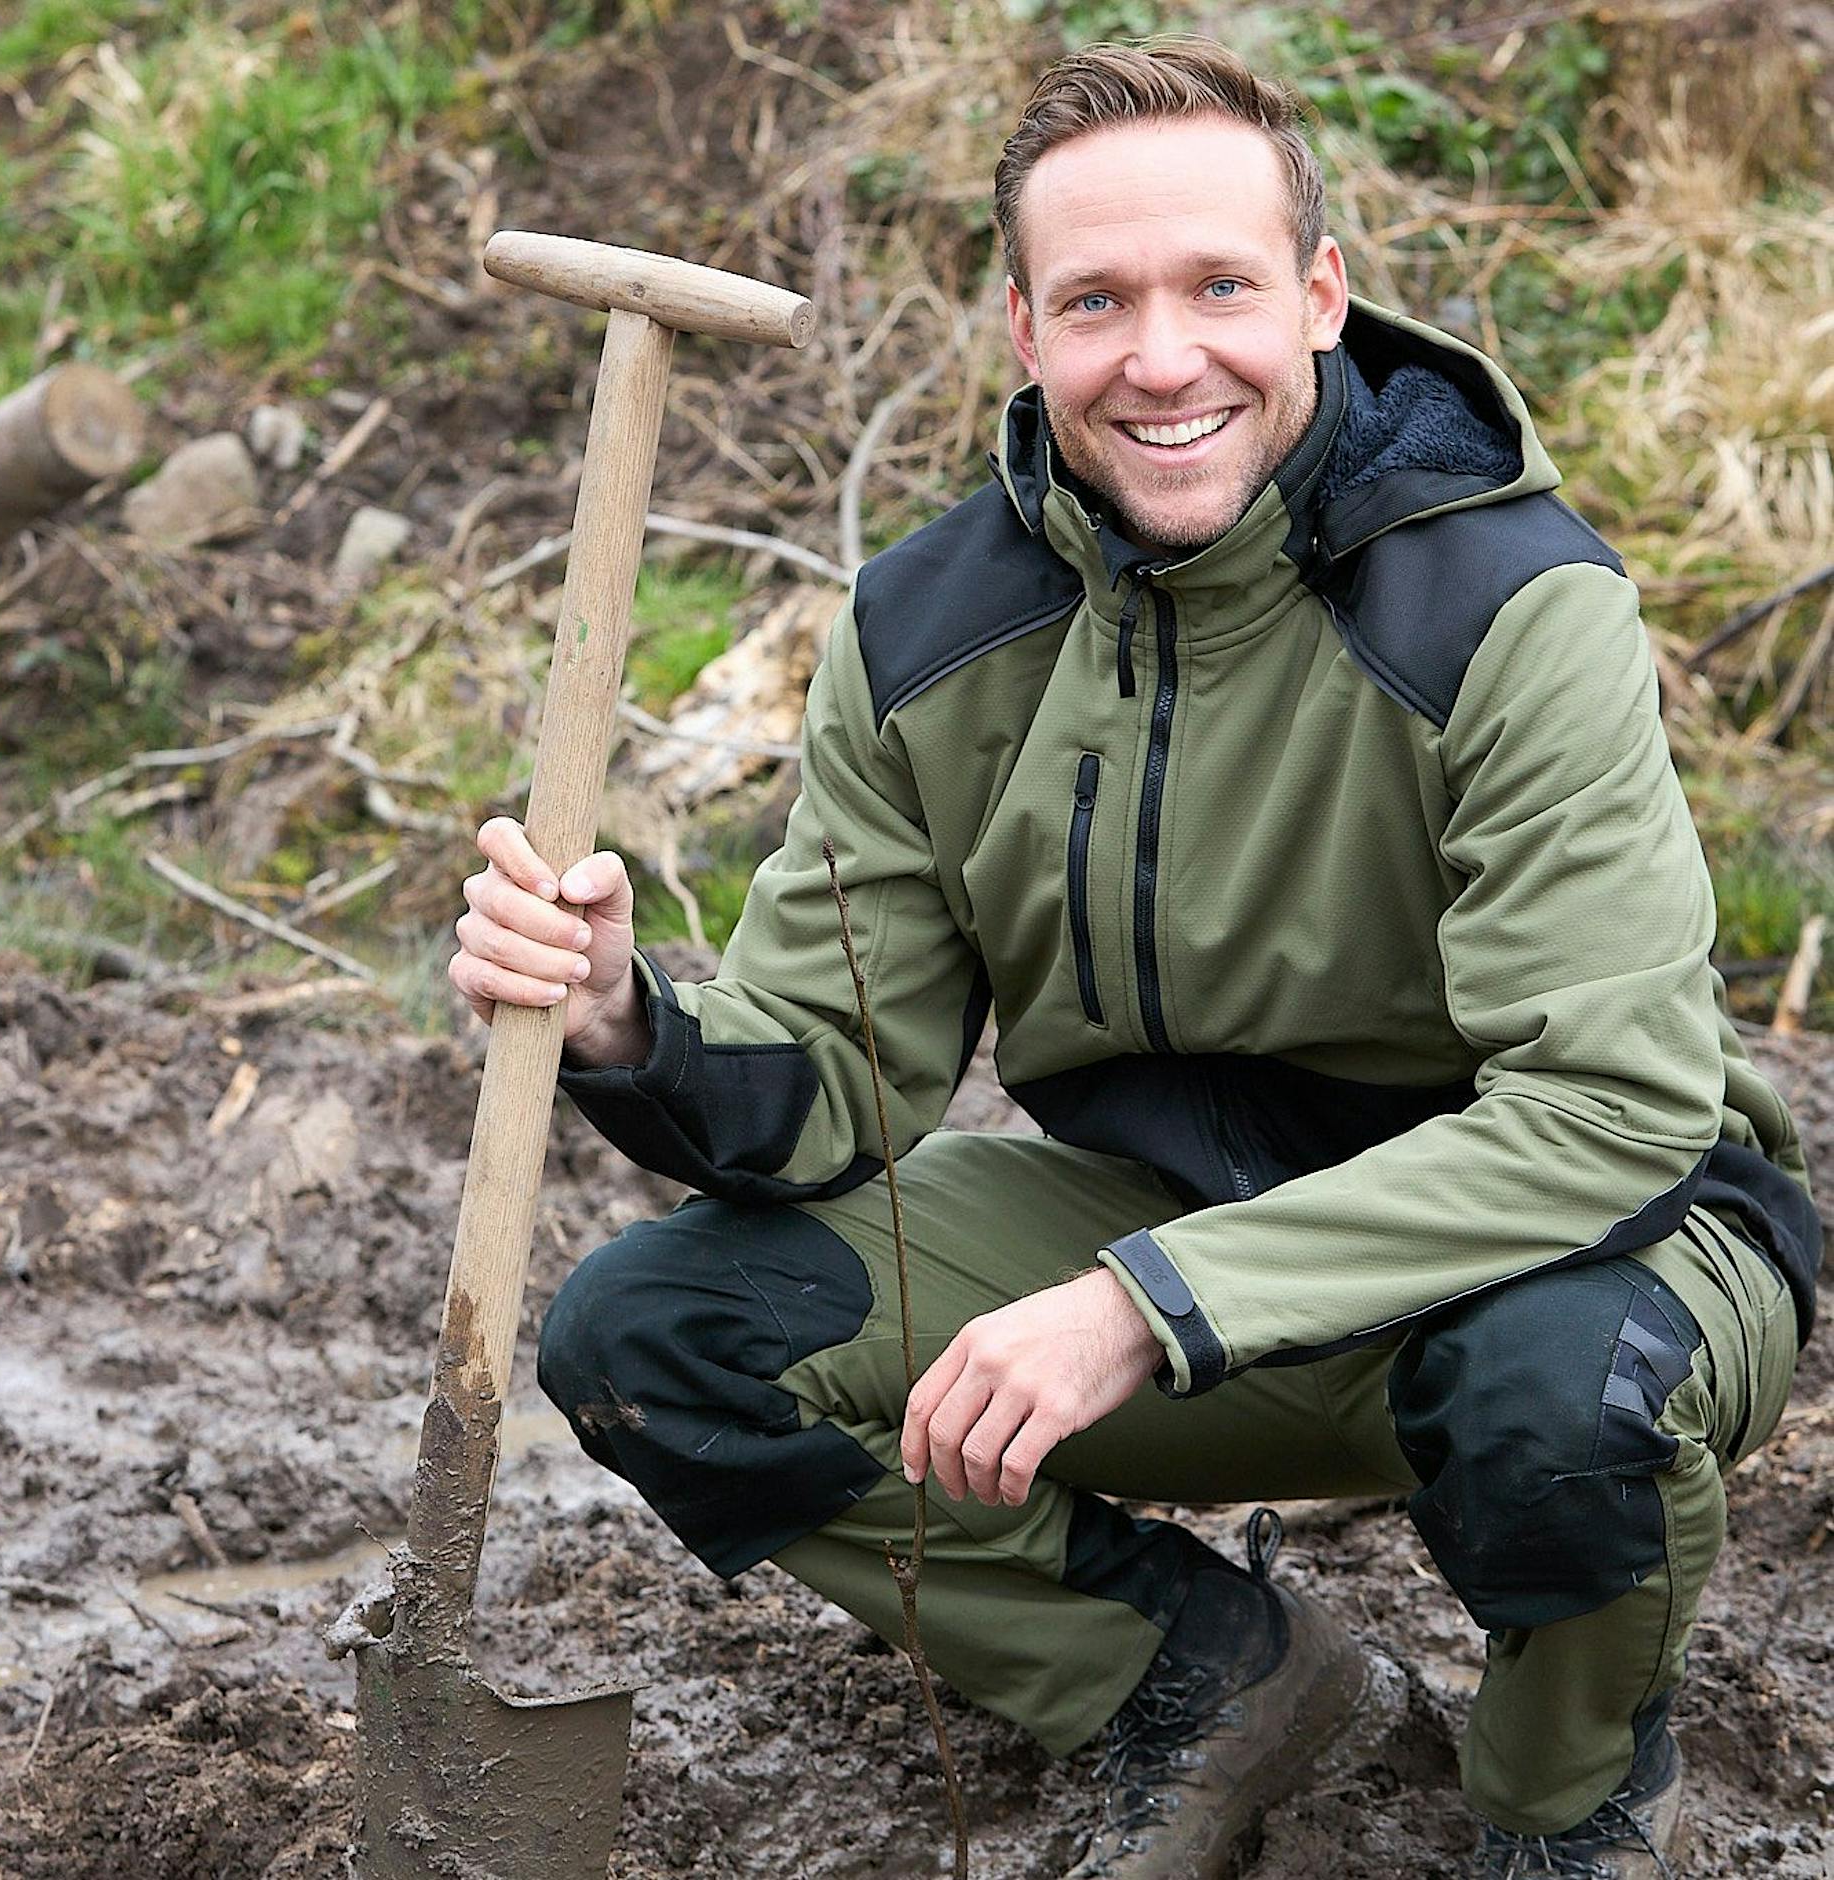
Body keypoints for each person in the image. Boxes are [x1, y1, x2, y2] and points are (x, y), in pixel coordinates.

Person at [448, 38, 1820, 1879]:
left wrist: (1142, 1305)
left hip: (1587, 1241)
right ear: (1025, 328)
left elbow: (1607, 1108)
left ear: (1320, 299)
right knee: (658, 1336)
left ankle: (1565, 1806)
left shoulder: (1509, 601)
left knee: (1557, 1402)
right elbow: (835, 1078)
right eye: (1097, 300)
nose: (1161, 358)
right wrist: (627, 1013)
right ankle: (1196, 1677)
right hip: (1177, 1234)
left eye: (1220, 288)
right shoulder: (927, 631)